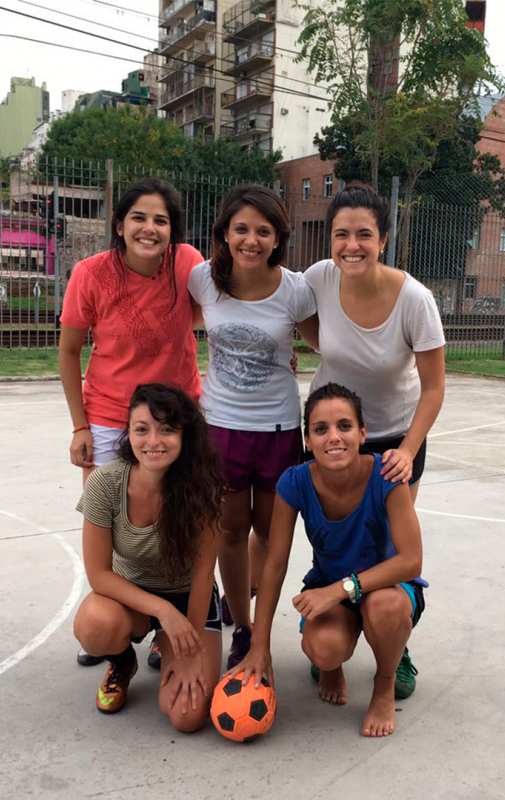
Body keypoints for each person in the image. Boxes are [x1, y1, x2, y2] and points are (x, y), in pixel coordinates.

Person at [302, 184, 445, 696]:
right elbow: (289, 308)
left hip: (393, 437)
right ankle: (331, 633)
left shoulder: (415, 300)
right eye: (341, 234)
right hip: (335, 433)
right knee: (335, 541)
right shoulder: (319, 279)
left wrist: (406, 451)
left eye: (364, 234)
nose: (351, 245)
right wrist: (325, 355)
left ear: (383, 239)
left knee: (389, 552)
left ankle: (394, 647)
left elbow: (434, 389)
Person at [59, 177, 205, 667]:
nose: (149, 228)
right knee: (112, 524)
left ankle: (173, 624)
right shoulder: (90, 273)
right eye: (138, 218)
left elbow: (223, 312)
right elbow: (69, 351)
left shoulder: (186, 263)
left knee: (177, 516)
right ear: (119, 225)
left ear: (173, 230)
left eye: (161, 220)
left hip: (177, 418)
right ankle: (113, 633)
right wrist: (80, 426)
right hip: (108, 416)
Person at [228, 383, 426, 738]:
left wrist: (339, 590)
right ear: (307, 440)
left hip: (386, 587)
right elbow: (274, 564)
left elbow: (411, 561)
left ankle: (383, 684)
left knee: (385, 608)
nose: (334, 437)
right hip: (331, 590)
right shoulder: (295, 482)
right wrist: (260, 646)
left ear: (363, 433)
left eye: (344, 426)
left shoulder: (387, 475)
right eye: (321, 429)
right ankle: (332, 665)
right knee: (325, 649)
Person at [188, 185, 318, 670]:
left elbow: (329, 343)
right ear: (224, 233)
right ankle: (242, 625)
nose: (251, 239)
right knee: (229, 529)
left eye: (263, 231)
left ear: (278, 238)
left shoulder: (295, 289)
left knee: (269, 532)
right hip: (220, 427)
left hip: (280, 428)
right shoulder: (203, 280)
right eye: (240, 229)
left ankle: (251, 601)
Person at [72, 384, 224, 731]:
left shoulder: (204, 487)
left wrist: (188, 650)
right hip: (133, 596)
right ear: (129, 433)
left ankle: (167, 643)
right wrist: (161, 610)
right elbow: (98, 575)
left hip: (188, 599)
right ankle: (123, 663)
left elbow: (203, 576)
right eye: (142, 429)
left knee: (187, 717)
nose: (153, 441)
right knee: (93, 625)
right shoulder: (105, 484)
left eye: (167, 430)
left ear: (185, 436)